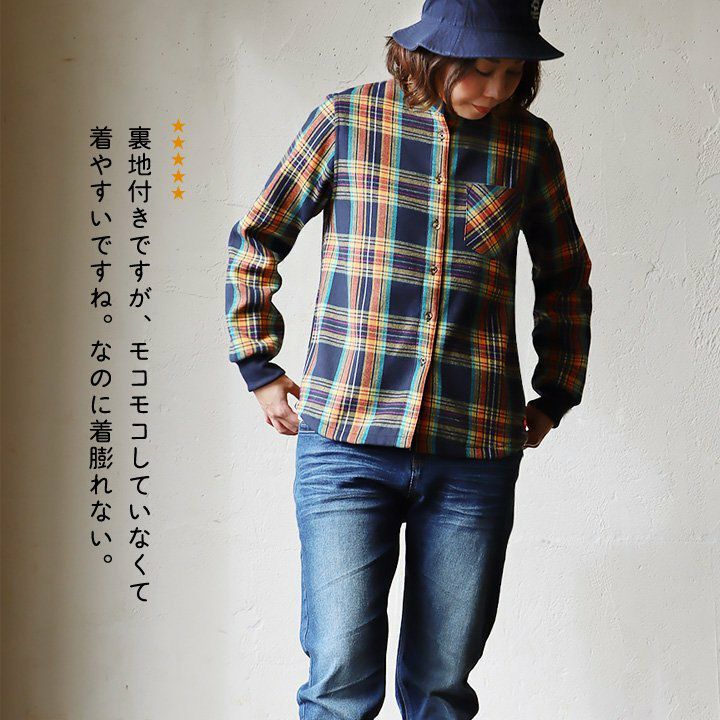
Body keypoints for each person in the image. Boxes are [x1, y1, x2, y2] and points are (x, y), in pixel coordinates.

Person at [225, 0, 592, 716]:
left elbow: (564, 275)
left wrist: (556, 393)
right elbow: (257, 237)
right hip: (346, 443)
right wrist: (258, 365)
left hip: (474, 451)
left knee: (441, 688)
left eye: (514, 72)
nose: (497, 88)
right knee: (338, 678)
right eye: (481, 68)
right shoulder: (346, 120)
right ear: (431, 54)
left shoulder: (528, 145)